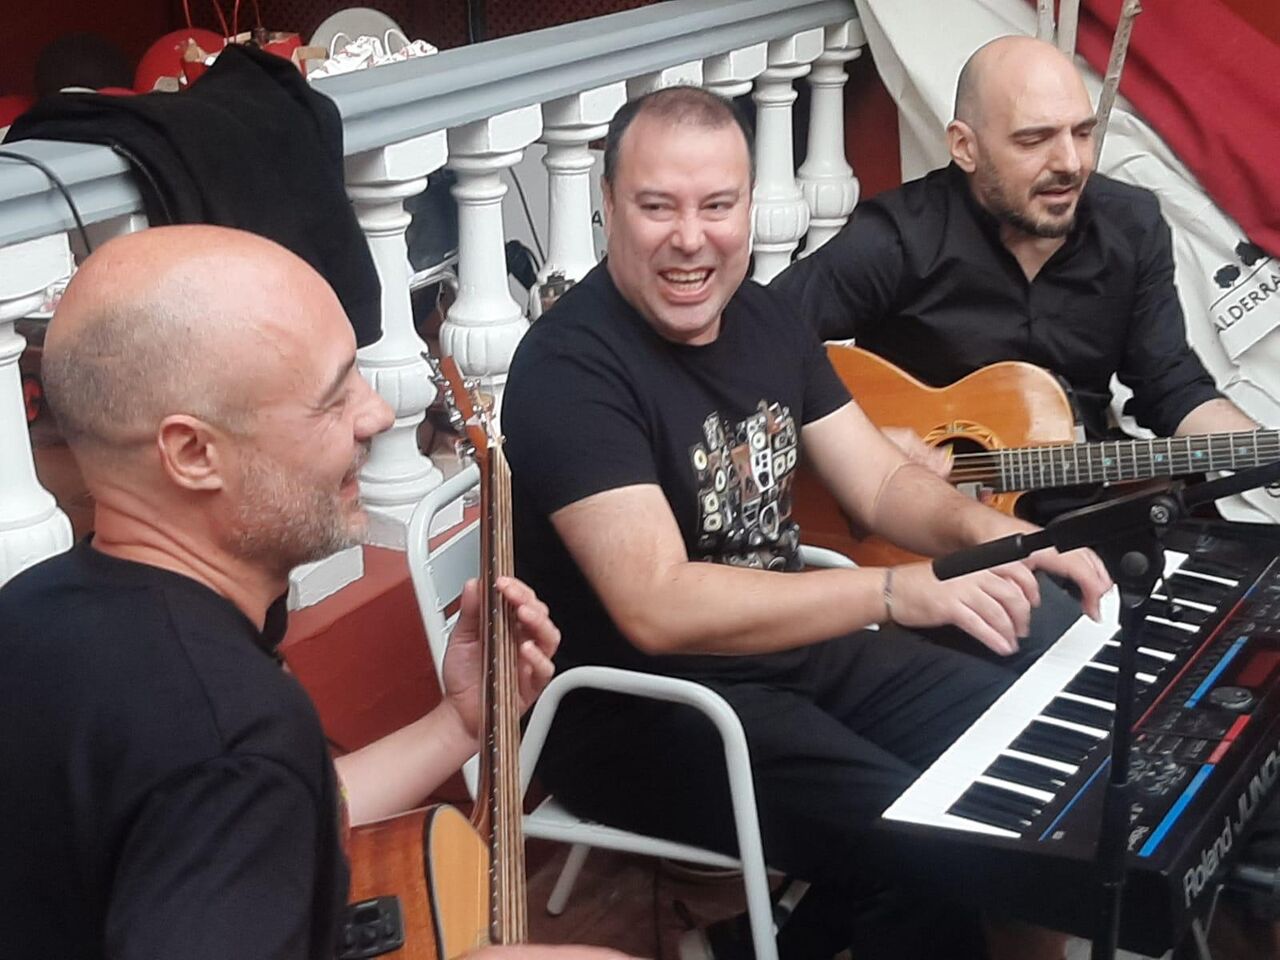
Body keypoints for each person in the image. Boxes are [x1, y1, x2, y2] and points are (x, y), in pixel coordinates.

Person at [501, 85, 1112, 960]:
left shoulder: (762, 317)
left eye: (717, 206)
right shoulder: (569, 367)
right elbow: (656, 605)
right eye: (657, 207)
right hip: (641, 713)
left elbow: (880, 484)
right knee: (934, 851)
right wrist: (897, 593)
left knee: (1038, 761)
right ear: (608, 207)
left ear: (750, 206)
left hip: (789, 653)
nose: (690, 238)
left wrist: (995, 538)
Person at [0, 225, 632, 960]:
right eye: (332, 399)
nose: (377, 415)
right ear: (193, 453)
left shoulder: (35, 612)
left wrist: (457, 724)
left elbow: (245, 820)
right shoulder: (229, 738)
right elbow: (230, 794)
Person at [771, 35, 1257, 515]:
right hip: (920, 538)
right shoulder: (896, 239)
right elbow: (752, 341)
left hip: (1081, 520)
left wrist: (1261, 450)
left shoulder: (1132, 228)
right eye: (1034, 140)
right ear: (965, 146)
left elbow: (1170, 386)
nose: (1069, 163)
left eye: (1082, 133)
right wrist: (864, 444)